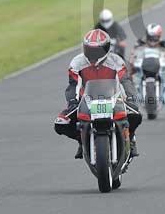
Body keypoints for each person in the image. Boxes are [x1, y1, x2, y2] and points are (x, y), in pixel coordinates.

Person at [54, 29, 142, 158]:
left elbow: (125, 81)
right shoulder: (77, 62)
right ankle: (82, 140)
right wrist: (73, 102)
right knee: (60, 124)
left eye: (96, 50)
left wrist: (131, 98)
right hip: (87, 101)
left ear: (106, 48)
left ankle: (130, 138)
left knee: (136, 115)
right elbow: (74, 84)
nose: (93, 53)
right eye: (89, 49)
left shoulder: (116, 61)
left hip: (114, 99)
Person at [131, 23, 165, 92]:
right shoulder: (140, 42)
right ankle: (132, 93)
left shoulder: (164, 43)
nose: (152, 40)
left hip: (158, 63)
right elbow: (133, 53)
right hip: (143, 63)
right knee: (130, 75)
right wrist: (133, 62)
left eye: (155, 38)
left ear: (159, 36)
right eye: (150, 37)